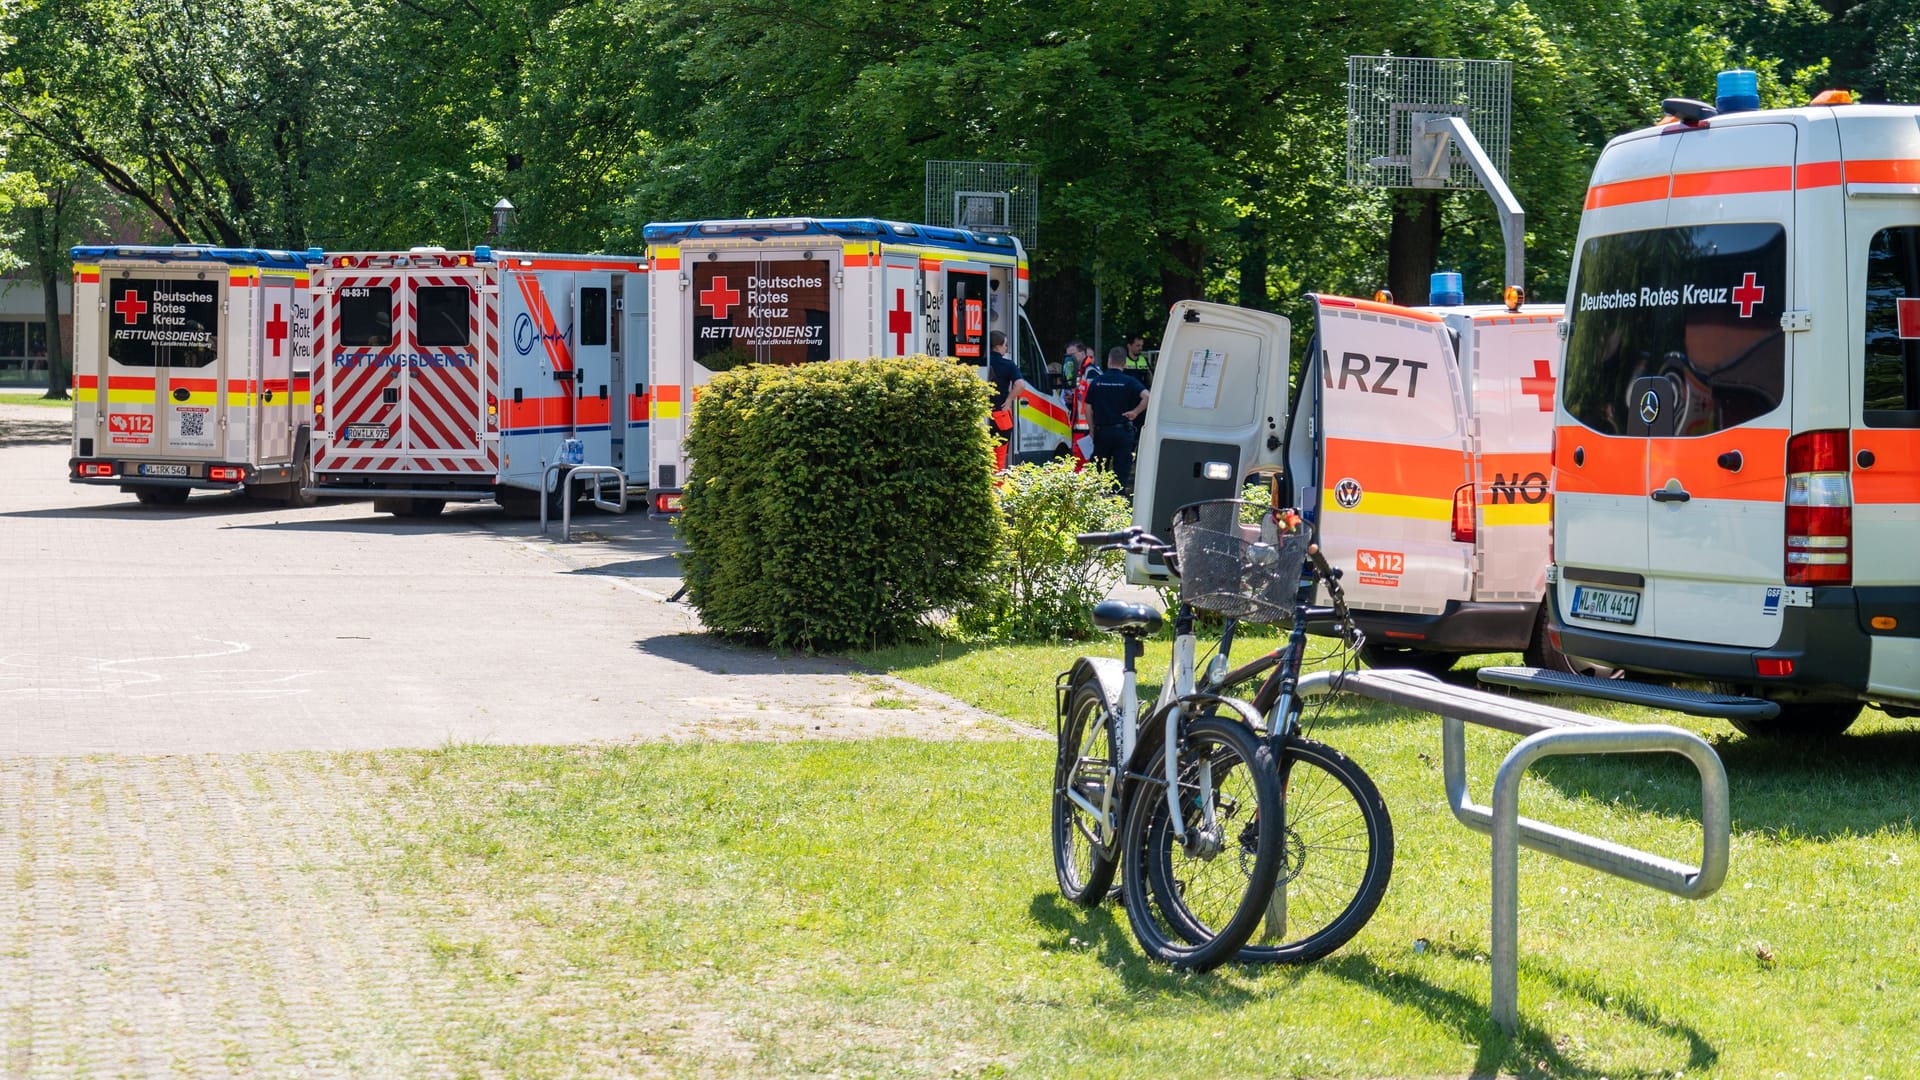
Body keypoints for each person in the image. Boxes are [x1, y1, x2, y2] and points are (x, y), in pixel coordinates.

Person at [1085, 345, 1149, 493]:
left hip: (1102, 432)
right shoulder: (1129, 381)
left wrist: (1091, 428)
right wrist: (1135, 412)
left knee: (1099, 473)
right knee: (1120, 475)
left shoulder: (1098, 381)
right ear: (1124, 363)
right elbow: (1147, 396)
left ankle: (1099, 504)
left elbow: (1088, 407)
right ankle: (1117, 503)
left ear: (1109, 361)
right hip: (1123, 433)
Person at [987, 330, 1027, 469]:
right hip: (1000, 415)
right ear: (998, 346)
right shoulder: (1008, 365)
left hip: (981, 414)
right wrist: (1009, 399)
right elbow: (1020, 385)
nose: (1006, 348)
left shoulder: (980, 362)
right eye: (1005, 345)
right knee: (998, 459)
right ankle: (997, 488)